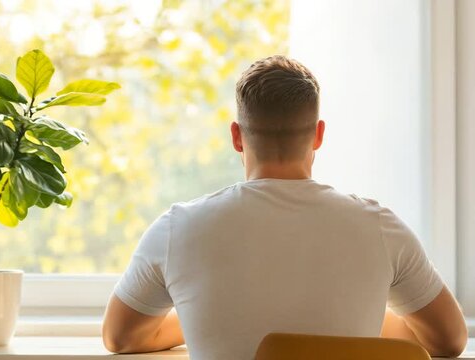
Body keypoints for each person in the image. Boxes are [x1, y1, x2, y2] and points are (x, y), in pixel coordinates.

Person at [102, 55, 467, 359]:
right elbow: (449, 340)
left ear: (236, 136)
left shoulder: (177, 229)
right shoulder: (381, 228)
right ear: (319, 134)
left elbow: (121, 337)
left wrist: (204, 313)